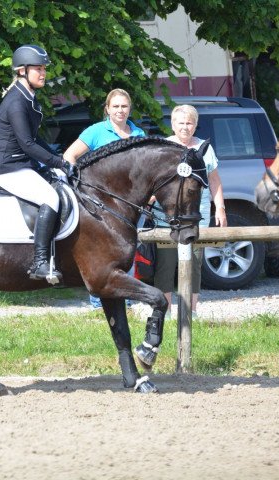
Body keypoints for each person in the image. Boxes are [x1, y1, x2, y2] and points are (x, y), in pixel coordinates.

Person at [0, 45, 75, 284]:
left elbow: (35, 138)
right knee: (51, 198)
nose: (43, 73)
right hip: (7, 167)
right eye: (38, 69)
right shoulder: (16, 101)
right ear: (22, 71)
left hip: (20, 163)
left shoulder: (28, 97)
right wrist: (57, 162)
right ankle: (40, 262)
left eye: (44, 69)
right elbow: (26, 143)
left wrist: (57, 159)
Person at [63, 88, 145, 309]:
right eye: (116, 106)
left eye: (124, 106)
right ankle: (98, 304)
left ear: (130, 109)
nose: (120, 110)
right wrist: (76, 182)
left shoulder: (138, 136)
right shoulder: (96, 131)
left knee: (126, 250)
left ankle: (125, 300)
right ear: (107, 109)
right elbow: (69, 156)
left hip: (129, 207)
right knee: (102, 253)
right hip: (100, 205)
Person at [152, 104, 227, 318]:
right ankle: (165, 310)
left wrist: (220, 208)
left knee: (194, 263)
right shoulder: (164, 146)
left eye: (189, 122)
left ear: (195, 125)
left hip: (197, 215)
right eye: (181, 122)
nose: (185, 127)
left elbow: (214, 181)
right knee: (165, 263)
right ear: (173, 124)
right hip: (165, 215)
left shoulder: (204, 148)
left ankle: (192, 311)